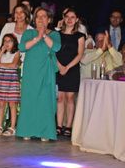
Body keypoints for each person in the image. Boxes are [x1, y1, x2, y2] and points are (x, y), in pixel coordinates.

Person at [16, 7, 61, 142]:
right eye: (38, 17)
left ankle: (45, 132)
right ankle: (27, 130)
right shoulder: (29, 33)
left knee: (45, 100)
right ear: (34, 20)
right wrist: (38, 37)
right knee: (29, 99)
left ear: (49, 19)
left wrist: (44, 35)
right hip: (31, 71)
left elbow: (56, 47)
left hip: (46, 71)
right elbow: (22, 47)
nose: (41, 19)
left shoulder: (54, 34)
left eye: (44, 17)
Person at [55, 8, 85, 138]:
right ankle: (59, 126)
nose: (70, 19)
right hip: (58, 68)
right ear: (64, 18)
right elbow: (53, 52)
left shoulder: (80, 36)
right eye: (67, 16)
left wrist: (67, 67)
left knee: (70, 98)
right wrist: (60, 66)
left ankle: (68, 126)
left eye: (73, 17)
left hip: (72, 69)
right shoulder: (57, 34)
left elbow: (80, 54)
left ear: (77, 19)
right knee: (60, 98)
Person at [0, 34, 21, 136]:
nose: (7, 43)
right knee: (1, 103)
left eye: (10, 41)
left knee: (12, 104)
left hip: (11, 80)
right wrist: (1, 52)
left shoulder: (17, 53)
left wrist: (1, 65)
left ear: (14, 43)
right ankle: (0, 126)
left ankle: (12, 127)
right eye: (5, 41)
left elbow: (13, 65)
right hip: (0, 79)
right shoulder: (0, 52)